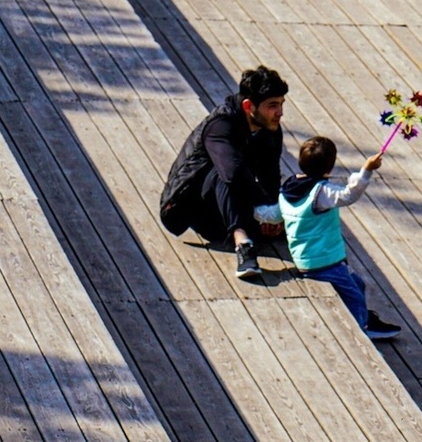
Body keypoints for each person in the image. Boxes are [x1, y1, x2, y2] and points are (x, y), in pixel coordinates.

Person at [255, 136, 401, 340]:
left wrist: (253, 211)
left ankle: (362, 318)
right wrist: (366, 170)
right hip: (325, 262)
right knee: (354, 294)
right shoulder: (321, 192)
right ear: (330, 167)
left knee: (357, 283)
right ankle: (362, 329)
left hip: (305, 260)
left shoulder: (288, 190)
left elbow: (273, 215)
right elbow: (349, 195)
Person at [159, 66, 288, 278]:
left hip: (226, 208)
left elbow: (270, 174)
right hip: (186, 206)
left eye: (281, 104)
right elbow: (233, 174)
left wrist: (272, 215)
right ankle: (243, 246)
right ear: (248, 106)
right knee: (226, 171)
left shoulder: (270, 129)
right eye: (272, 105)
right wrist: (264, 210)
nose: (279, 112)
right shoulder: (221, 125)